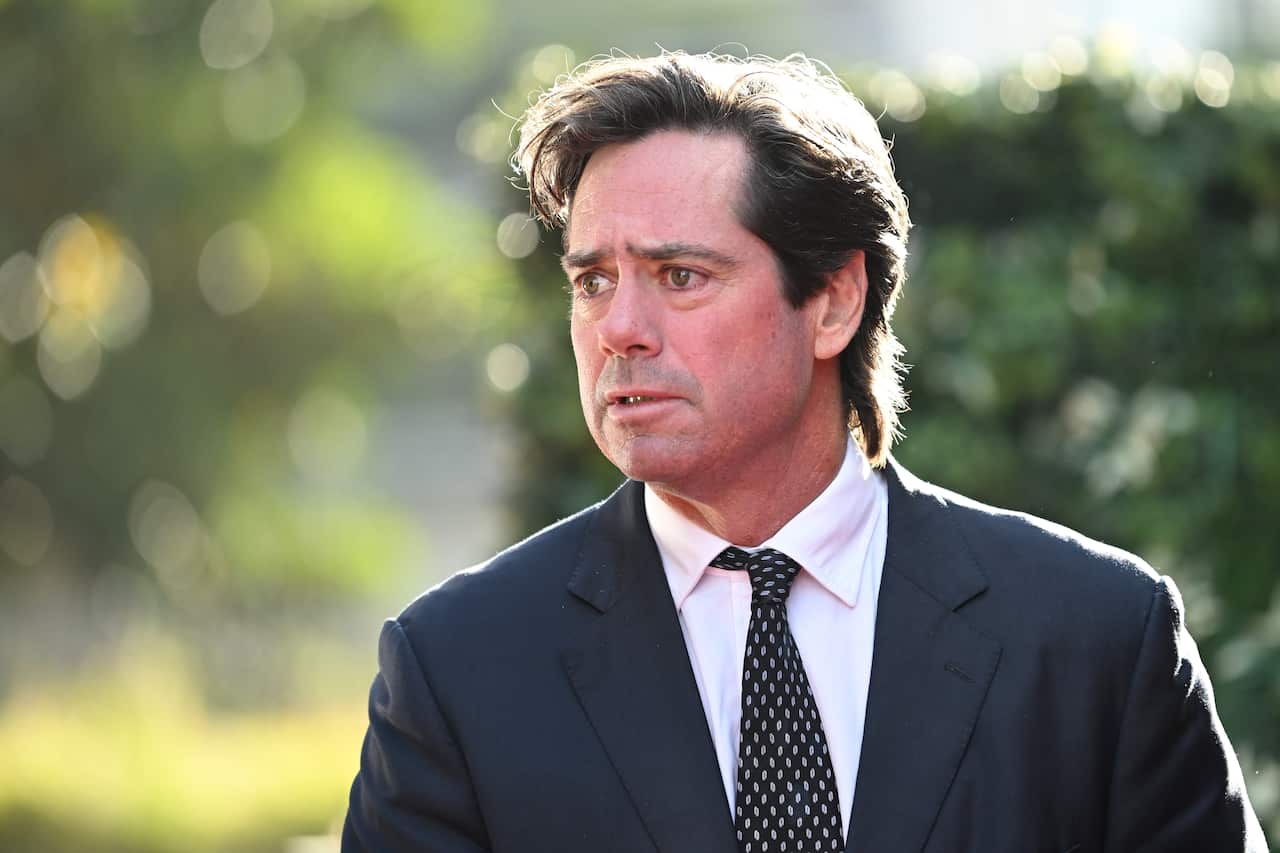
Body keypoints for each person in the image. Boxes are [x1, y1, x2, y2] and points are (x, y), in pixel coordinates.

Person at [342, 51, 1266, 852]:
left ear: (832, 300)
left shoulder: (1095, 636)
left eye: (679, 275)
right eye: (592, 281)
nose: (619, 327)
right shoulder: (460, 668)